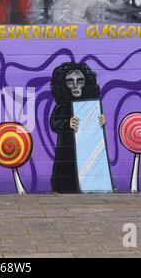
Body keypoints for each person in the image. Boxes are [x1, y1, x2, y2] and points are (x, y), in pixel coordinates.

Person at [50, 62, 105, 193]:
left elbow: (96, 126)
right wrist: (66, 123)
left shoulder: (91, 106)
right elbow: (54, 122)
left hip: (88, 154)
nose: (75, 85)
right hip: (66, 156)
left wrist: (101, 120)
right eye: (70, 81)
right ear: (63, 84)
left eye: (80, 81)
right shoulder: (62, 106)